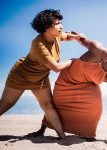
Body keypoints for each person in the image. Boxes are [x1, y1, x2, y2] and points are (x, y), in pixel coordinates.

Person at [28, 32, 107, 140]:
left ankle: (86, 134)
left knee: (95, 106)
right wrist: (74, 35)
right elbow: (80, 39)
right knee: (57, 103)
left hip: (86, 84)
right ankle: (42, 129)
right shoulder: (99, 51)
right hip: (67, 79)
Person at [0, 9, 85, 139]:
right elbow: (56, 68)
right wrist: (71, 61)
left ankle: (62, 137)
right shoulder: (38, 45)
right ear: (46, 27)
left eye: (61, 22)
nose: (61, 26)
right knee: (6, 105)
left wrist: (76, 37)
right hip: (21, 75)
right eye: (57, 23)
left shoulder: (56, 36)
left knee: (48, 105)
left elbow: (66, 36)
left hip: (40, 78)